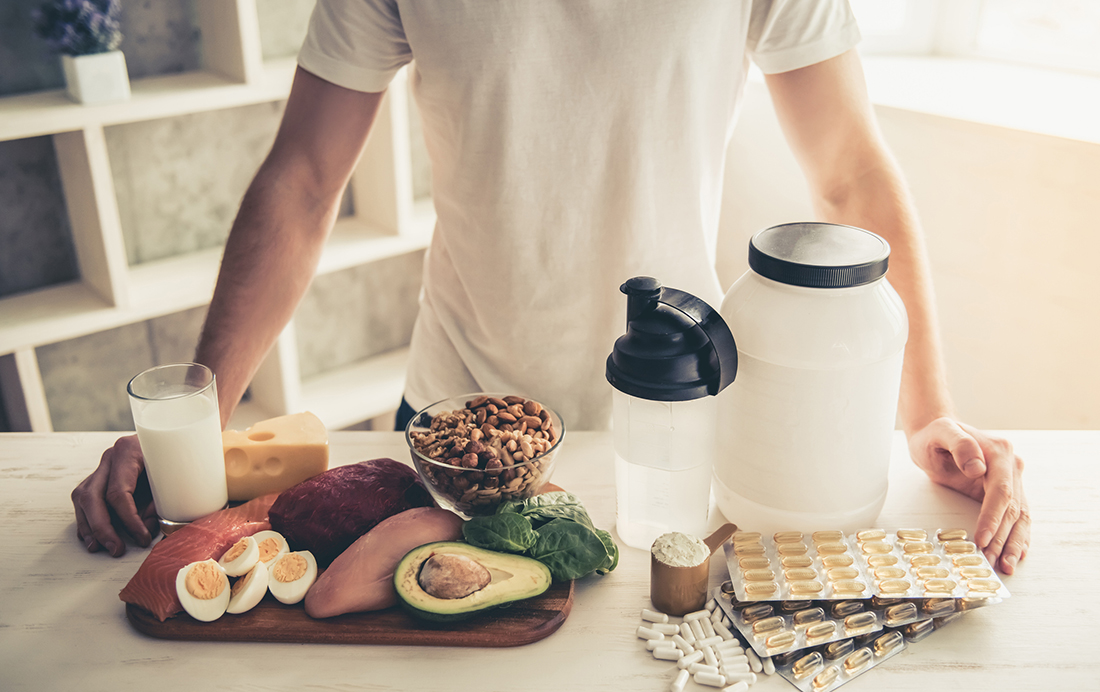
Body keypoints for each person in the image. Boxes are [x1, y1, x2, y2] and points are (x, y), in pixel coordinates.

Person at [72, 0, 1029, 573]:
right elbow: (304, 183)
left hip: (682, 426)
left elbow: (852, 176)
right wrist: (194, 423)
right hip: (455, 423)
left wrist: (931, 414)